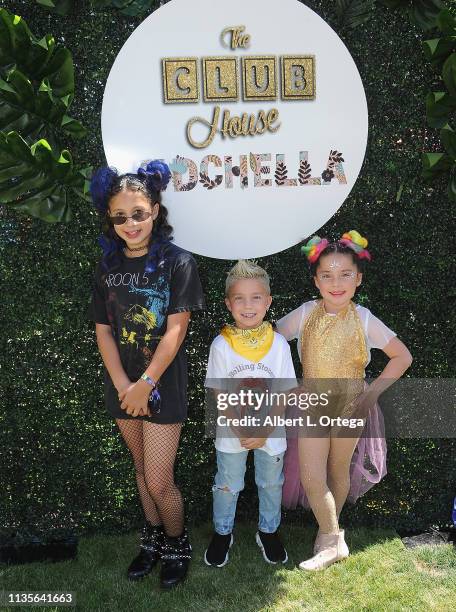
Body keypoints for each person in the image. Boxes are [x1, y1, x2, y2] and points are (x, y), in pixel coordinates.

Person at [88, 160, 205, 589]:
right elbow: (104, 332)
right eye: (120, 217)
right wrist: (123, 386)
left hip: (161, 386)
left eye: (138, 212)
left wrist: (146, 384)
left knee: (159, 479)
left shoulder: (179, 262)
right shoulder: (107, 267)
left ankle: (178, 540)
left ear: (155, 209)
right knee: (140, 471)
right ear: (111, 220)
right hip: (121, 387)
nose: (130, 224)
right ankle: (153, 537)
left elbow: (176, 331)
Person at [276, 231, 413, 571]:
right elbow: (272, 344)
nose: (336, 282)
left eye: (345, 274)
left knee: (338, 470)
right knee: (311, 476)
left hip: (352, 404)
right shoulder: (305, 313)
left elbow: (402, 356)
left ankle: (327, 539)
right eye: (327, 275)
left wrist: (372, 393)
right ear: (316, 281)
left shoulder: (364, 318)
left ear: (358, 278)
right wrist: (289, 385)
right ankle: (335, 538)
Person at [204, 260, 296, 568]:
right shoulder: (221, 345)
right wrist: (243, 431)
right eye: (239, 298)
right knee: (228, 484)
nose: (248, 305)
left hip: (271, 434)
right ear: (229, 304)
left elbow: (284, 393)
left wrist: (264, 432)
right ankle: (222, 533)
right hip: (233, 434)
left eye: (256, 297)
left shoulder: (279, 345)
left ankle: (268, 532)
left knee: (271, 484)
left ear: (268, 302)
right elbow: (219, 394)